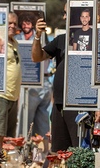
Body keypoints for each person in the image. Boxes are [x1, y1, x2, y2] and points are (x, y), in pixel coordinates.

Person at [30, 8, 75, 153]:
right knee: (59, 151)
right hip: (59, 104)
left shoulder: (92, 39)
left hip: (81, 104)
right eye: (63, 12)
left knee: (79, 150)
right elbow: (36, 57)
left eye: (66, 12)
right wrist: (37, 35)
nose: (63, 17)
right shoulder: (61, 39)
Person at [0, 16, 21, 154]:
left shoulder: (14, 43)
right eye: (9, 23)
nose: (12, 26)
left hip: (12, 97)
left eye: (15, 23)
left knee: (7, 137)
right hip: (1, 94)